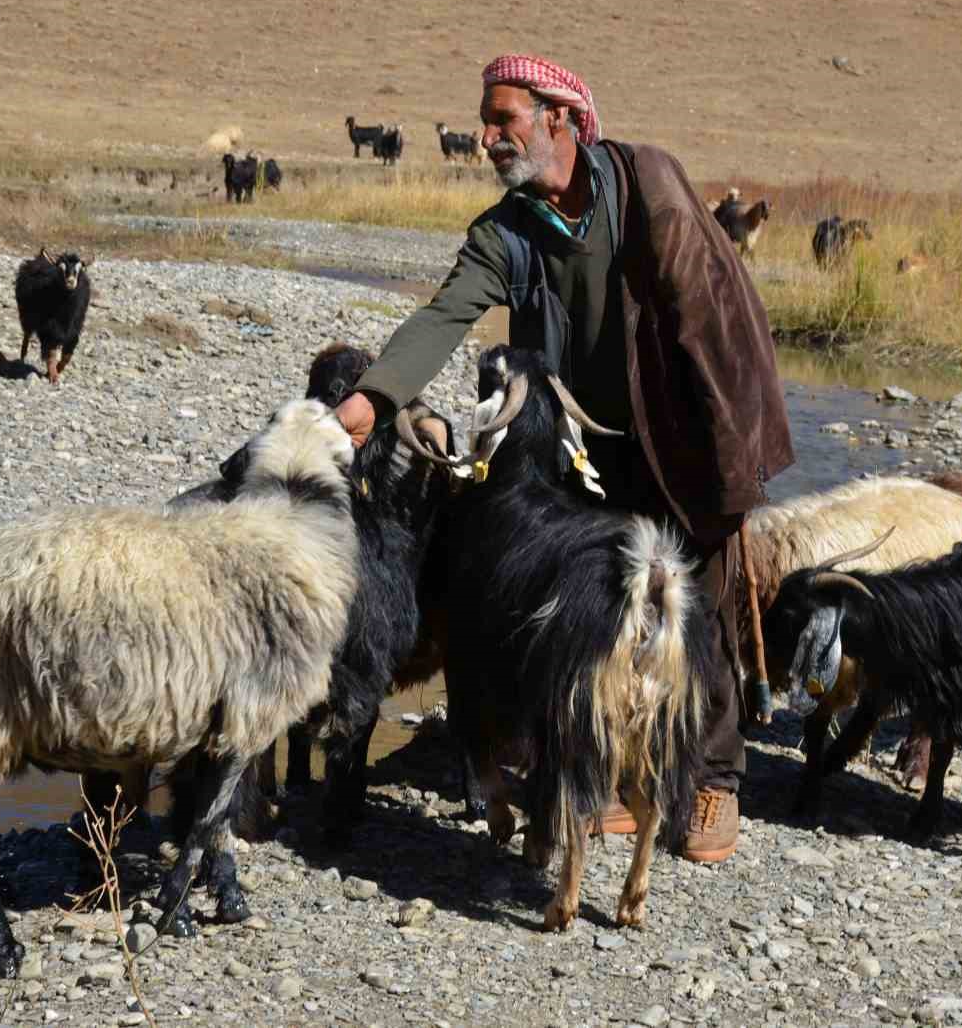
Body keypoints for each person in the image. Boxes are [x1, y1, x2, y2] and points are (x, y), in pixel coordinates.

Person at [336, 54, 793, 863]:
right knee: (597, 604)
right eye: (486, 121)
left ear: (558, 118)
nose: (486, 137)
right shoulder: (509, 232)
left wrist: (733, 460)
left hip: (683, 429)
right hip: (582, 446)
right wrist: (372, 401)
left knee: (701, 601)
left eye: (501, 119)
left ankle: (714, 776)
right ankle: (611, 769)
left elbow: (713, 324)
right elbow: (444, 316)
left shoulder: (647, 187)